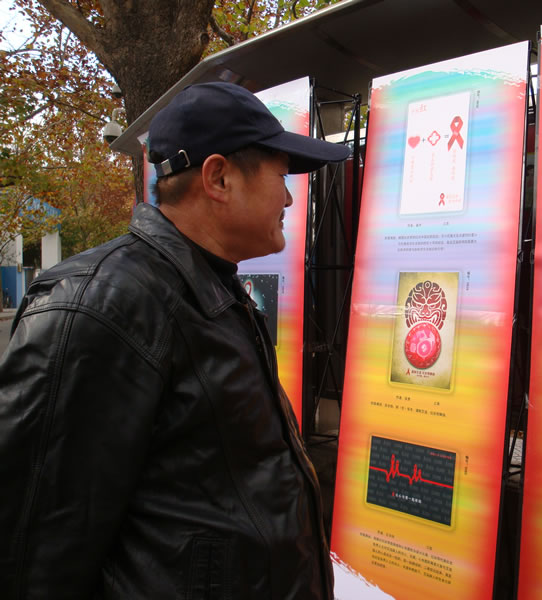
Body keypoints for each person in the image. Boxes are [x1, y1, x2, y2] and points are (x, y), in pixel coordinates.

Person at [0, 81, 350, 599]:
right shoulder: (99, 306)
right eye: (281, 176)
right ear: (218, 177)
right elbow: (33, 552)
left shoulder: (212, 290)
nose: (289, 197)